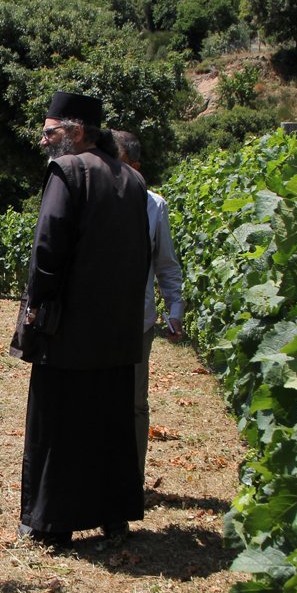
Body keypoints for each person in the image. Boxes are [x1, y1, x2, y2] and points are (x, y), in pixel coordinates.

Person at [12, 91, 149, 548]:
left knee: (59, 425)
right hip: (117, 331)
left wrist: (37, 308)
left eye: (49, 131)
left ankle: (52, 524)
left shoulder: (67, 171)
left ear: (76, 132)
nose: (43, 140)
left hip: (68, 331)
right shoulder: (132, 180)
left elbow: (47, 250)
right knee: (108, 425)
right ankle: (113, 518)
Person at [111, 130, 184, 497]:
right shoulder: (95, 200)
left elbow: (166, 264)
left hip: (138, 323)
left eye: (118, 162)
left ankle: (131, 483)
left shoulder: (155, 206)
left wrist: (175, 308)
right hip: (98, 323)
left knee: (135, 404)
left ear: (136, 168)